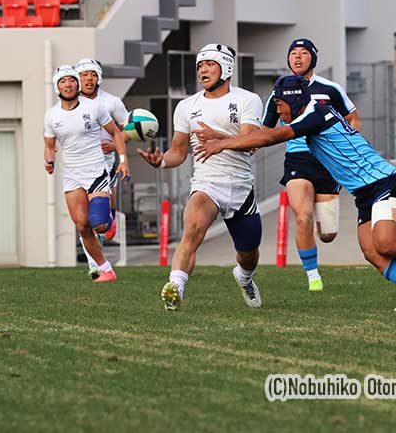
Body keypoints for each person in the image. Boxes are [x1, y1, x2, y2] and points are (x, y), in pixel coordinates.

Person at [196, 75, 396, 312]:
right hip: (365, 193)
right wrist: (220, 137)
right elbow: (263, 136)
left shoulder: (318, 112)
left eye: (280, 105)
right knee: (371, 251)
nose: (279, 112)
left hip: (384, 183)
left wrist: (221, 143)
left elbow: (274, 136)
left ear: (293, 100)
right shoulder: (310, 114)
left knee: (387, 243)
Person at [137, 43, 264, 311]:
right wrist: (161, 162)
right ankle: (174, 288)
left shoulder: (247, 99)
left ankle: (244, 278)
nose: (202, 70)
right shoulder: (186, 106)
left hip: (241, 188)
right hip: (206, 184)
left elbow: (251, 140)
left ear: (226, 68)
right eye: (200, 66)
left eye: (209, 65)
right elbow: (178, 152)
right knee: (191, 232)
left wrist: (219, 138)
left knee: (249, 254)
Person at [262, 38, 362, 291]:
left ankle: (318, 245)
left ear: (313, 59)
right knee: (303, 216)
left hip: (328, 162)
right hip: (298, 161)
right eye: (293, 53)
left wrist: (349, 142)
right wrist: (244, 145)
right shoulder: (279, 92)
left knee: (328, 235)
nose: (297, 57)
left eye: (303, 53)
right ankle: (313, 276)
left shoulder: (330, 89)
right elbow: (265, 130)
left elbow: (353, 117)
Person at [44, 65, 129, 282]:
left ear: (76, 84)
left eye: (72, 80)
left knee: (98, 223)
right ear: (57, 86)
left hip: (95, 171)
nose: (68, 84)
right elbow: (49, 144)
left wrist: (122, 160)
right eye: (63, 81)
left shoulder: (95, 107)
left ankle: (107, 217)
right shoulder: (52, 115)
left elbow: (116, 134)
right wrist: (50, 160)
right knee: (82, 225)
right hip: (72, 175)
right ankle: (106, 269)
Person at [75, 58, 129, 273]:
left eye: (93, 74)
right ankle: (94, 265)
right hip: (78, 166)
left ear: (99, 78)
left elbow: (129, 128)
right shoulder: (70, 104)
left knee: (100, 213)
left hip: (104, 163)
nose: (88, 79)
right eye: (84, 75)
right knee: (83, 218)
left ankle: (110, 216)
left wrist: (115, 147)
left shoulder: (111, 102)